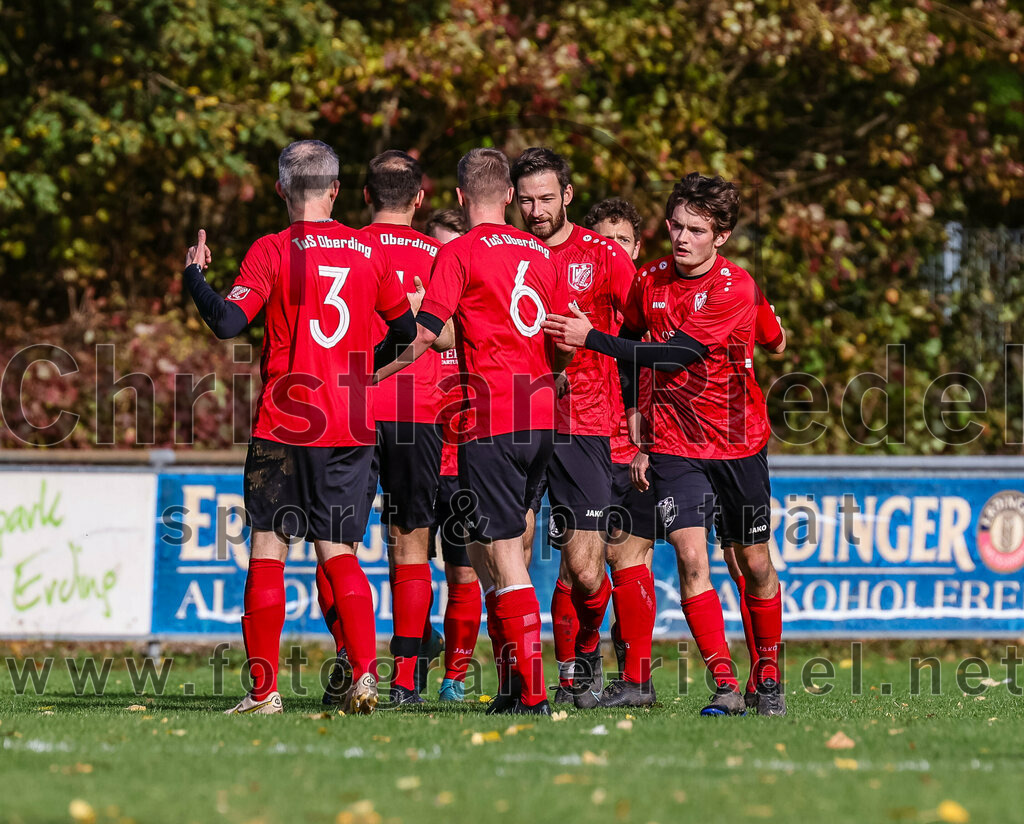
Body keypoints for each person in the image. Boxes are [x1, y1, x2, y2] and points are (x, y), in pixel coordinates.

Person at [183, 139, 416, 715]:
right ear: (335, 190)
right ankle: (363, 676)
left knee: (268, 548)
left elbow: (229, 322)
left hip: (286, 422)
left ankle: (264, 693)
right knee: (339, 552)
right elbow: (407, 331)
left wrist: (194, 277)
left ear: (282, 188)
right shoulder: (368, 251)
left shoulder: (272, 250)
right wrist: (365, 369)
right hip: (352, 421)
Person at [542, 172, 786, 717]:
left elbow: (675, 355)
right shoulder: (647, 280)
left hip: (739, 441)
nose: (681, 238)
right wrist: (632, 404)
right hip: (675, 443)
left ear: (719, 236)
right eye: (675, 226)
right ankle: (725, 685)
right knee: (690, 557)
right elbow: (629, 341)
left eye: (695, 230)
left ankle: (767, 674)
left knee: (754, 563)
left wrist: (590, 338)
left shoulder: (734, 287)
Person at [376, 148, 575, 715]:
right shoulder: (542, 254)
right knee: (490, 557)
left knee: (504, 558)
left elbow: (422, 337)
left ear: (461, 199)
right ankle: (514, 683)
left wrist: (369, 375)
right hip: (540, 418)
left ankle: (532, 693)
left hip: (491, 420)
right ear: (510, 195)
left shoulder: (457, 253)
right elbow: (562, 341)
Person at [314, 152, 453, 706]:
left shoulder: (340, 250)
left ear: (363, 196)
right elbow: (443, 340)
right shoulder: (440, 256)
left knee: (335, 545)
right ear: (419, 200)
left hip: (347, 410)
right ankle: (404, 682)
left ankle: (355, 660)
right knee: (411, 545)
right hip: (418, 413)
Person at [511, 149, 636, 709]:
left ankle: (585, 653)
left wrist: (642, 412)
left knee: (586, 571)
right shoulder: (507, 251)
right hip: (513, 421)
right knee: (504, 556)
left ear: (567, 194)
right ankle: (519, 681)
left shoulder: (604, 255)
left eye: (546, 198)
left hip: (586, 424)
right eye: (526, 199)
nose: (536, 210)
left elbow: (643, 334)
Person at [583, 197, 660, 708]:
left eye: (622, 242)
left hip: (635, 448)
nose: (613, 250)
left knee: (630, 557)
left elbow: (673, 374)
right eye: (602, 242)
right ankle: (583, 667)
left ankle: (636, 678)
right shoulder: (575, 303)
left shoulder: (653, 305)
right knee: (580, 567)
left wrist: (650, 441)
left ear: (636, 248)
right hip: (581, 441)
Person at [423, 208, 483, 702]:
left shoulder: (482, 316)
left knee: (462, 571)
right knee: (409, 565)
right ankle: (414, 658)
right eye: (437, 250)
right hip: (416, 455)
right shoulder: (413, 314)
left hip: (465, 462)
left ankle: (454, 678)